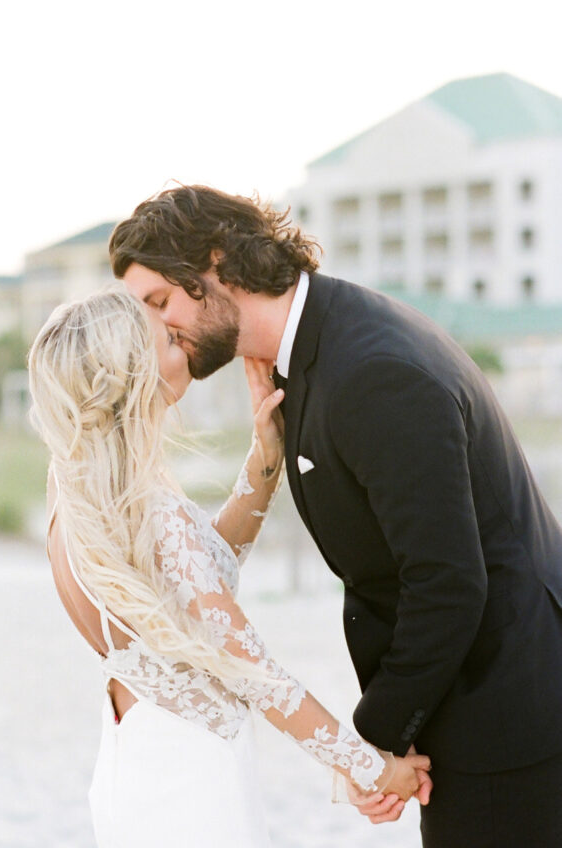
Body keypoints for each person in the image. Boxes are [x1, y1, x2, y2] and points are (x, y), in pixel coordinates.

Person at [109, 184, 562, 848]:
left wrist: (374, 743)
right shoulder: (324, 345)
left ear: (214, 263)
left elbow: (445, 584)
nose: (161, 328)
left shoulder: (373, 369)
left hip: (507, 716)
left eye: (160, 301)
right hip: (479, 702)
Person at [27, 286, 428, 848]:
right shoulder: (151, 513)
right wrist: (373, 768)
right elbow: (257, 675)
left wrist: (265, 456)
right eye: (167, 338)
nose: (183, 338)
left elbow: (199, 577)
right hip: (191, 787)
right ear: (134, 373)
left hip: (131, 769)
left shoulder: (75, 492)